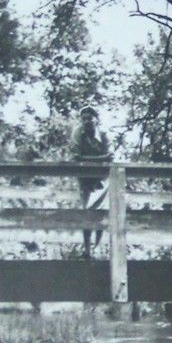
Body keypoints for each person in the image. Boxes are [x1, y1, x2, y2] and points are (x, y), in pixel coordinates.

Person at [70, 105, 112, 255]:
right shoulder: (78, 133)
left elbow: (110, 158)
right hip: (85, 178)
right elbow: (76, 157)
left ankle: (98, 246)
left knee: (102, 212)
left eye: (90, 118)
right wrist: (99, 159)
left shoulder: (105, 135)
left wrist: (88, 159)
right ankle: (87, 249)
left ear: (97, 120)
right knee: (87, 211)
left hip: (102, 179)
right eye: (84, 119)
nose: (87, 121)